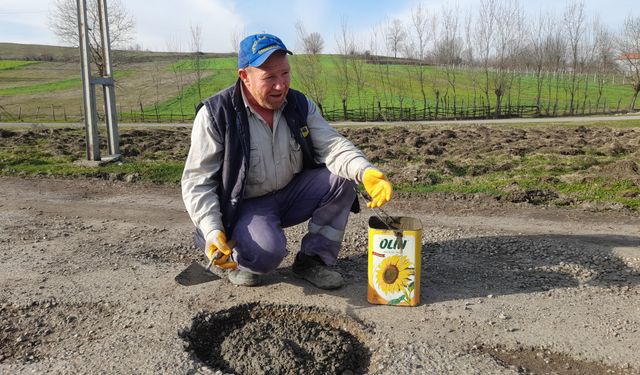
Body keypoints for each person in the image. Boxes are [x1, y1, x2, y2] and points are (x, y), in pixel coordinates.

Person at [181, 33, 392, 289]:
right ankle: (241, 260)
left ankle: (313, 260)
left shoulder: (299, 104)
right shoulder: (216, 114)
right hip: (245, 206)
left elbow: (331, 144)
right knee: (266, 253)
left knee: (341, 181)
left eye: (285, 74)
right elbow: (197, 181)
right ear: (244, 76)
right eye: (269, 78)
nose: (281, 86)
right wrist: (213, 230)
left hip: (291, 193)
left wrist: (365, 171)